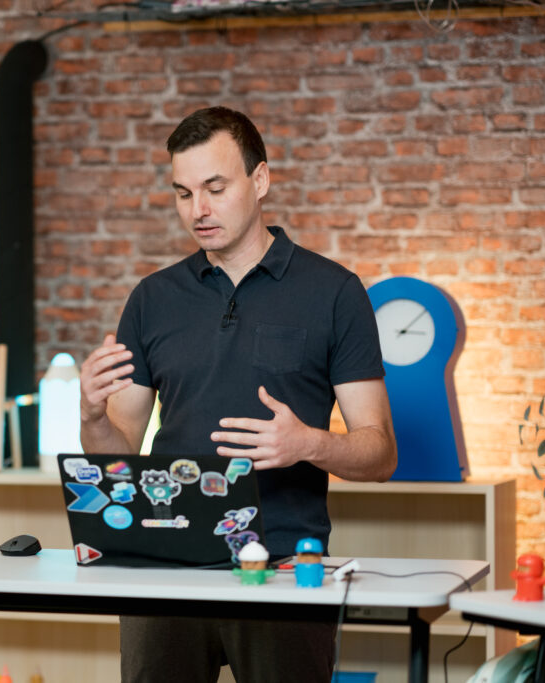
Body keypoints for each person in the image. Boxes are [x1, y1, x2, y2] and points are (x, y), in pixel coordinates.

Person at [79, 106, 397, 683]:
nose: (197, 210)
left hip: (284, 568)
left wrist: (308, 444)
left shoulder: (335, 292)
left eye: (215, 188)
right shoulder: (151, 299)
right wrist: (93, 416)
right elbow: (117, 458)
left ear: (260, 180)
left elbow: (380, 454)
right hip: (165, 563)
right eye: (183, 193)